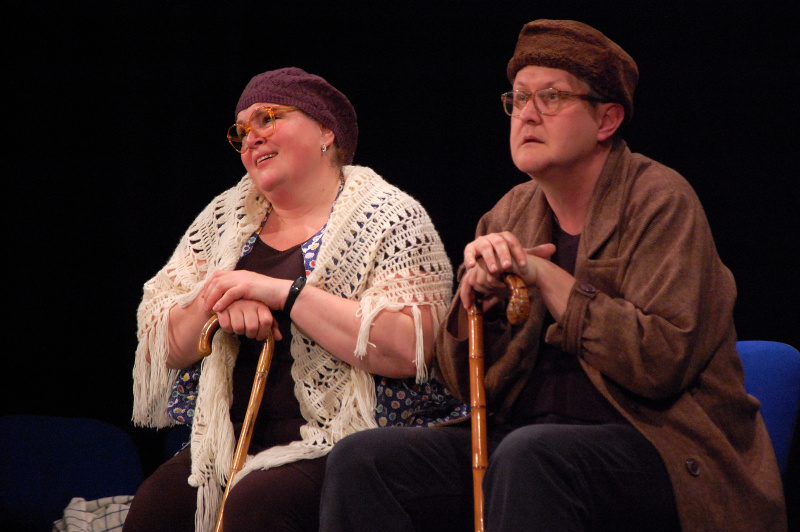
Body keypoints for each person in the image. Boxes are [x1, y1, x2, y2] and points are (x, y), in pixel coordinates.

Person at [319, 20, 787, 531]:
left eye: (552, 97)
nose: (528, 114)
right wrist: (478, 306)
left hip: (660, 446)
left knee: (531, 457)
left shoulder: (660, 202)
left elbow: (660, 363)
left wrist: (544, 276)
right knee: (364, 460)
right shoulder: (508, 215)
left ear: (606, 119)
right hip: (526, 441)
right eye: (519, 98)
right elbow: (462, 385)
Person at [125, 67, 454, 532]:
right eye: (242, 131)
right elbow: (165, 345)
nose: (251, 138)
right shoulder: (225, 217)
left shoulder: (389, 217)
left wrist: (284, 293)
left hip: (345, 445)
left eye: (268, 118)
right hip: (225, 444)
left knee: (260, 505)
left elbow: (410, 348)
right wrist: (221, 298)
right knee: (155, 510)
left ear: (325, 132)